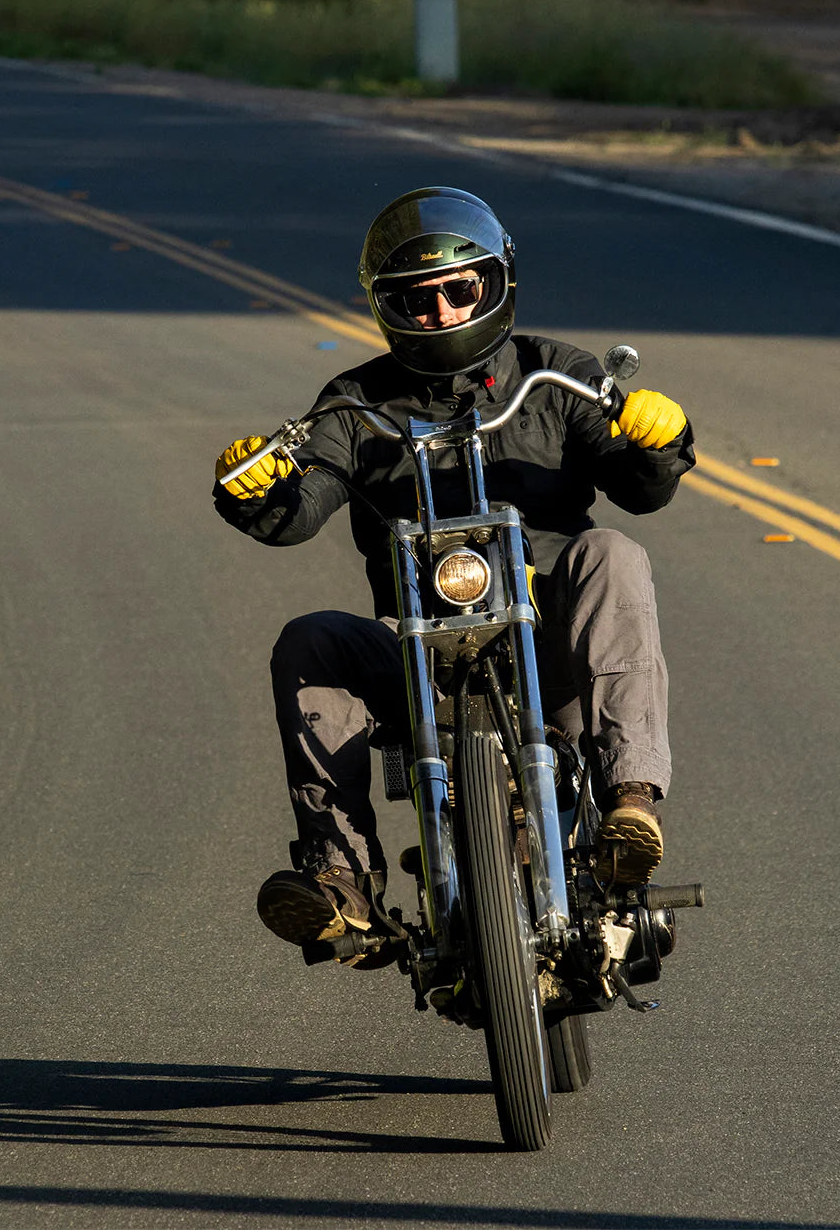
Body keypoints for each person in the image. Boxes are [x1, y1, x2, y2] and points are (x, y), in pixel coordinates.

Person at [214, 186, 695, 961]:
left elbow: (642, 488)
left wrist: (656, 440)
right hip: (416, 658)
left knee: (611, 552)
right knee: (309, 641)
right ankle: (343, 881)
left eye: (458, 289)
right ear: (385, 308)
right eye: (416, 300)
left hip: (556, 650)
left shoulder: (554, 372)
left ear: (496, 283)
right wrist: (257, 489)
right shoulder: (355, 404)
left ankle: (630, 803)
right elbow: (296, 514)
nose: (440, 312)